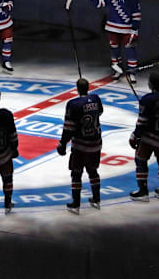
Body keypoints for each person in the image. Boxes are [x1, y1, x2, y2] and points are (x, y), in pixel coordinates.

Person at [57, 78, 103, 214]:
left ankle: (76, 203)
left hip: (80, 145)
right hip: (96, 142)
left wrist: (62, 144)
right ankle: (96, 198)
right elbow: (99, 112)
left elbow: (68, 128)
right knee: (93, 170)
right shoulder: (96, 98)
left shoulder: (73, 104)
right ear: (88, 87)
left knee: (76, 173)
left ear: (77, 88)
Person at [87, 0, 141, 82]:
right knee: (115, 51)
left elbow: (137, 16)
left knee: (130, 50)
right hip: (112, 29)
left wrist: (135, 30)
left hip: (127, 30)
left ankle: (132, 73)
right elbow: (100, 3)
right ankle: (118, 69)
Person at [129, 73, 159, 201]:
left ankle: (143, 191)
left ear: (150, 84)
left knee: (140, 160)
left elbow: (142, 122)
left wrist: (134, 136)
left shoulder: (147, 99)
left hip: (149, 136)